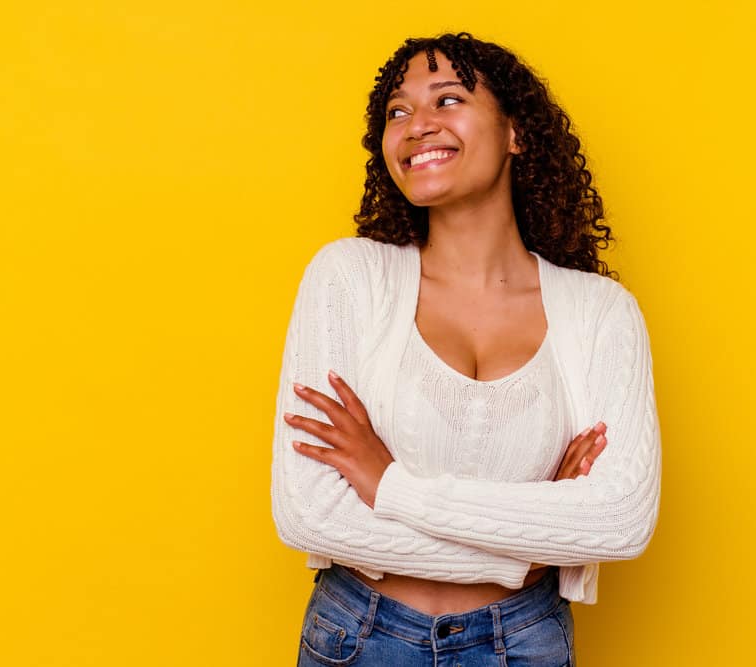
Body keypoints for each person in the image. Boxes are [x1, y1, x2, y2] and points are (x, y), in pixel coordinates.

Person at [271, 32, 661, 666]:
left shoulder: (598, 312)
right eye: (397, 112)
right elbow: (310, 513)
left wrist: (391, 487)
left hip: (524, 644)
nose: (416, 126)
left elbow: (619, 521)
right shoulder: (349, 277)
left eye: (447, 100)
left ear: (517, 132)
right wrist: (530, 551)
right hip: (361, 639)